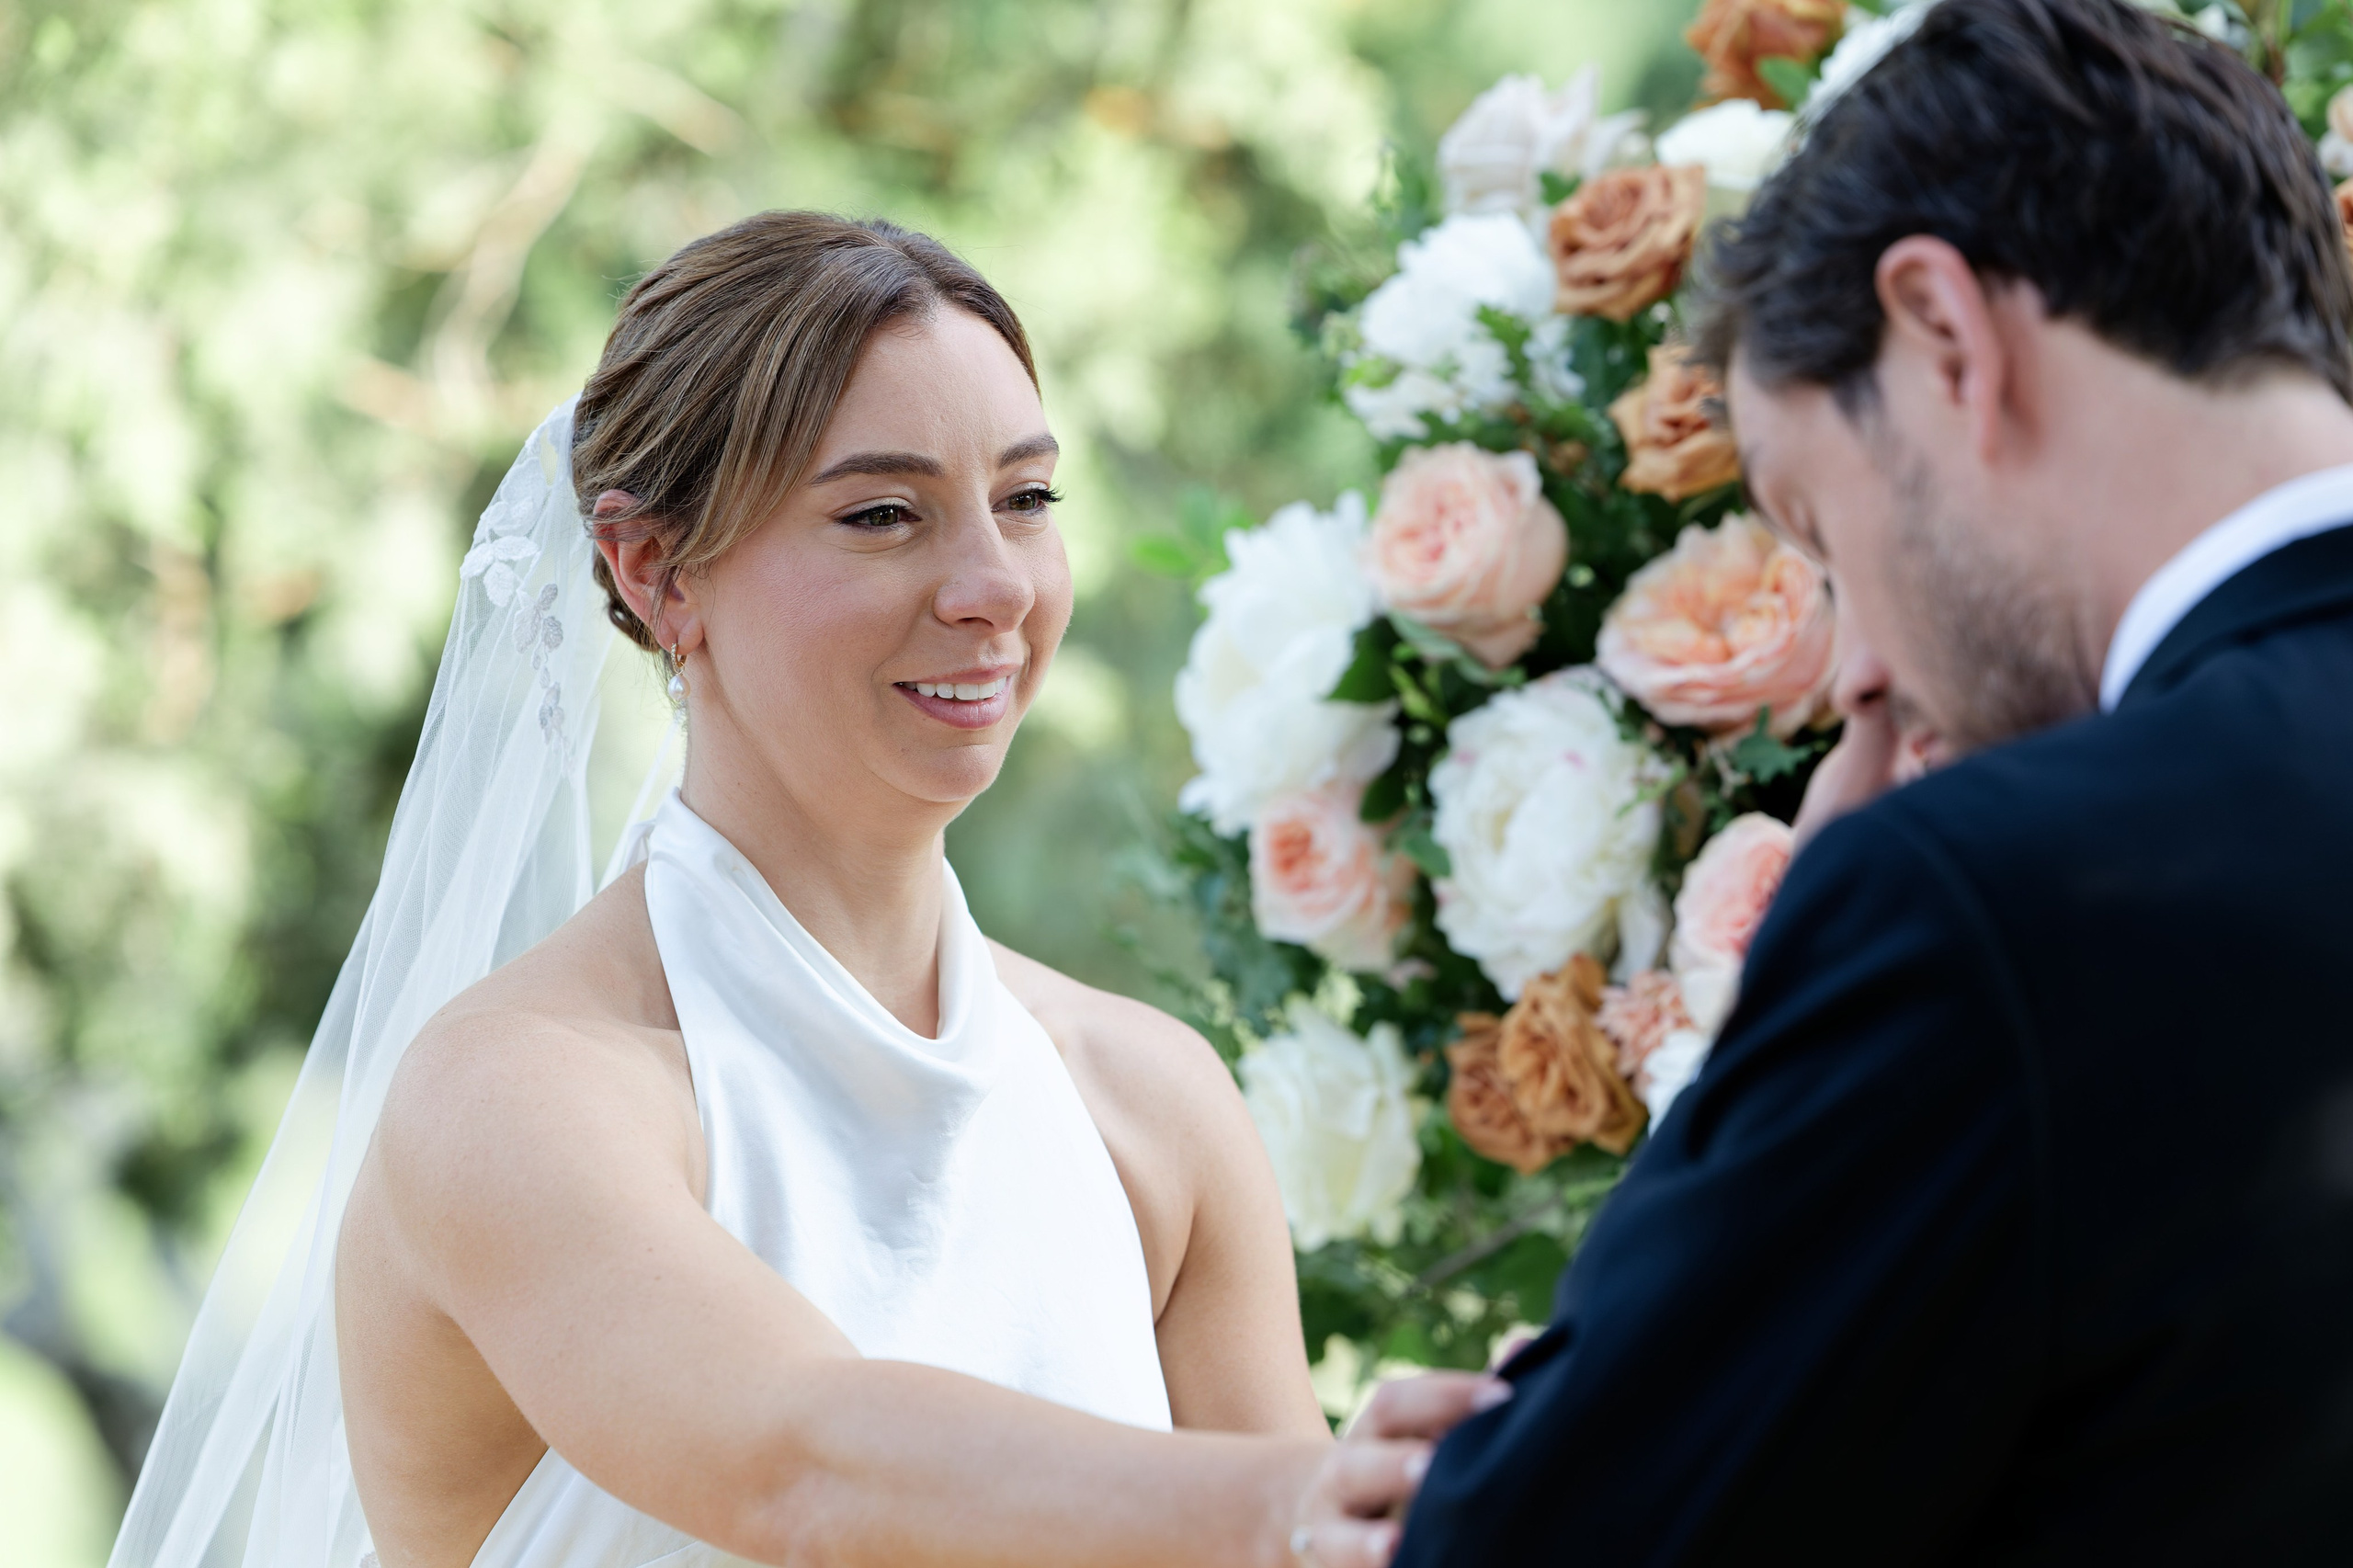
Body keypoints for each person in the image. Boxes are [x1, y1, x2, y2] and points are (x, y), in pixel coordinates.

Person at [111, 212, 1489, 1568]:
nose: (995, 584)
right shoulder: (515, 1094)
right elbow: (798, 1468)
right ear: (656, 572)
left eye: (1026, 498)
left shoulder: (1153, 1102)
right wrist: (1287, 1498)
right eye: (885, 514)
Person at [1383, 0, 2353, 1561]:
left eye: (1819, 529)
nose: (1854, 677)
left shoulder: (1989, 904)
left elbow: (1544, 1538)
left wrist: (1779, 999)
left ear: (1945, 334)